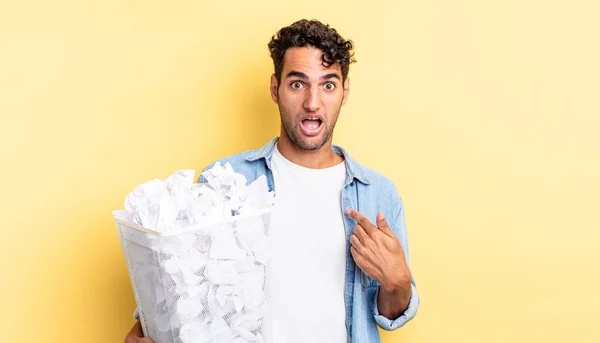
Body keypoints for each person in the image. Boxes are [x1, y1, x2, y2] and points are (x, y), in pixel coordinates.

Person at [125, 19, 419, 343]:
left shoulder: (377, 195)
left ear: (344, 92)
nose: (312, 102)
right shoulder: (226, 182)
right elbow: (176, 290)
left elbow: (392, 315)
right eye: (297, 84)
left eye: (328, 85)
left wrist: (398, 282)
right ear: (274, 87)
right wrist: (145, 332)